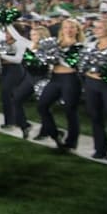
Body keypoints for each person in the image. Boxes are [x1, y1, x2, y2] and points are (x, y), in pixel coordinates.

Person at [36, 19, 84, 150]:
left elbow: (72, 63)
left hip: (70, 79)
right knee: (42, 106)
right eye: (66, 27)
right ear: (61, 30)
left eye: (72, 27)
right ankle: (55, 134)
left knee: (70, 111)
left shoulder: (80, 46)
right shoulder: (56, 43)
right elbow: (45, 58)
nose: (69, 30)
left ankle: (71, 142)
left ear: (77, 30)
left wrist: (56, 54)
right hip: (55, 78)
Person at [83, 19, 107, 159]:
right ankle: (100, 149)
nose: (95, 30)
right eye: (95, 28)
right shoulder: (91, 44)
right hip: (91, 83)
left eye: (99, 28)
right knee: (95, 116)